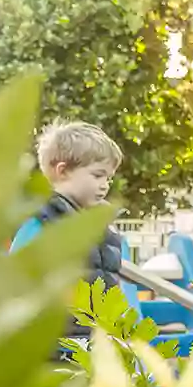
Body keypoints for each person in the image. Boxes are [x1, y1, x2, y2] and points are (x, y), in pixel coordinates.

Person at [10, 120, 124, 344]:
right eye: (97, 175)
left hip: (95, 339)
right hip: (54, 344)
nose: (105, 185)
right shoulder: (42, 221)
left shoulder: (97, 224)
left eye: (109, 178)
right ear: (63, 171)